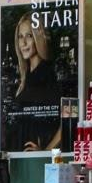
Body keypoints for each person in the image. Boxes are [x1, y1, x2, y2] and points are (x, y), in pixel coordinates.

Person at [10, 13, 61, 151]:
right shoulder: (27, 76)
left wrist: (45, 152)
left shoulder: (46, 74)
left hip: (34, 158)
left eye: (29, 36)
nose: (23, 42)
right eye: (20, 37)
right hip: (22, 156)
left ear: (38, 38)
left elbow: (68, 119)